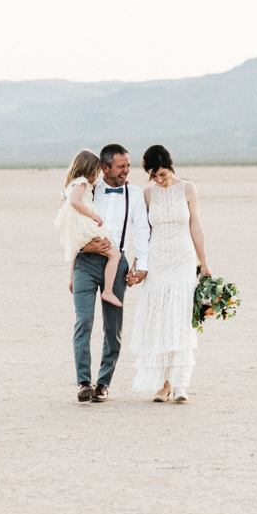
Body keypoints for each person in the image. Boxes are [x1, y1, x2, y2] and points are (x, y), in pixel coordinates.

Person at [123, 144, 210, 403]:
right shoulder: (148, 194)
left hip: (183, 260)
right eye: (154, 176)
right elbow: (144, 233)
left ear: (170, 167)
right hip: (158, 262)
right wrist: (138, 263)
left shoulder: (188, 189)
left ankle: (180, 384)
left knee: (180, 320)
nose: (159, 180)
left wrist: (204, 262)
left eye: (163, 174)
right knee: (159, 320)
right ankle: (163, 385)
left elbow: (196, 225)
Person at [68, 143, 148, 403]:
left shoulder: (134, 194)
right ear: (104, 167)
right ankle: (83, 382)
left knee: (113, 328)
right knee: (84, 322)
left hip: (118, 262)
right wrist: (80, 254)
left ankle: (103, 383)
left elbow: (143, 233)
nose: (126, 170)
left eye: (128, 165)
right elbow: (70, 226)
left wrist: (141, 267)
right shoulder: (88, 190)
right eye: (120, 166)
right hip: (85, 261)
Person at [54, 150, 121, 309]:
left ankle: (73, 278)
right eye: (96, 172)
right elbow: (74, 201)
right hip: (85, 225)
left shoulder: (75, 183)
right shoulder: (82, 181)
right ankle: (108, 291)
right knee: (115, 254)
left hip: (79, 227)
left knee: (76, 249)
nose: (97, 176)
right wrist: (93, 215)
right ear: (89, 169)